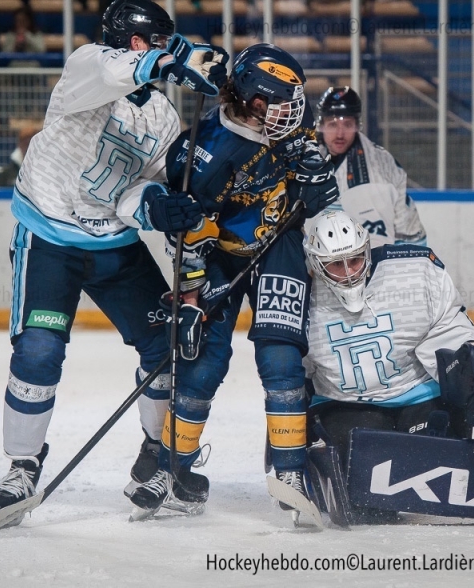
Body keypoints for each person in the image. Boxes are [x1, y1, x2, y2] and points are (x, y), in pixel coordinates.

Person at [0, 0, 229, 528]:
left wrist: (158, 206)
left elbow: (133, 191)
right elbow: (115, 70)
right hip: (48, 237)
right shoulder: (86, 65)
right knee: (39, 351)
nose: (162, 50)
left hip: (112, 245)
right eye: (157, 42)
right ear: (137, 42)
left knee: (162, 349)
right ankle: (22, 466)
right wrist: (171, 61)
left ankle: (156, 455)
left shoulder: (161, 114)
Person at [126, 43, 339, 520]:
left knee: (282, 357)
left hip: (277, 245)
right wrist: (189, 297)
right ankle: (169, 466)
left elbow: (320, 194)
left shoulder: (280, 128)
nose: (295, 112)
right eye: (284, 102)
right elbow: (185, 235)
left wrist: (318, 184)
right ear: (255, 101)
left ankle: (290, 471)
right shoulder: (204, 155)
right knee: (200, 367)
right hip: (217, 258)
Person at [301, 210, 474, 522]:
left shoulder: (415, 272)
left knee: (431, 452)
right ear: (316, 264)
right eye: (336, 264)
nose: (349, 273)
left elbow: (450, 326)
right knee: (364, 496)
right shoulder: (301, 296)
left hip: (417, 395)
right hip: (343, 404)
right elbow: (290, 373)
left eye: (356, 260)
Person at [315, 86, 427, 247]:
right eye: (332, 124)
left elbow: (407, 230)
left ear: (357, 125)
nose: (340, 134)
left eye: (347, 124)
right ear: (321, 125)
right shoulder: (305, 157)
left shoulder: (380, 167)